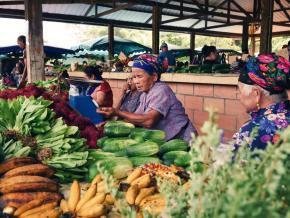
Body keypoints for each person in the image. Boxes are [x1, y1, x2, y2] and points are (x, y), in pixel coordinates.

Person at [97, 54, 197, 143]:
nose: (136, 81)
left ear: (154, 77)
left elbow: (148, 121)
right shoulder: (145, 93)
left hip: (185, 141)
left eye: (139, 76)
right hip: (170, 143)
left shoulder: (161, 90)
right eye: (134, 77)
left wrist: (117, 112)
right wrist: (112, 124)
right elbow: (137, 117)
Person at [233, 54, 290, 151]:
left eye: (239, 90)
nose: (237, 93)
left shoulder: (253, 131)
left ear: (256, 94)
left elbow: (235, 164)